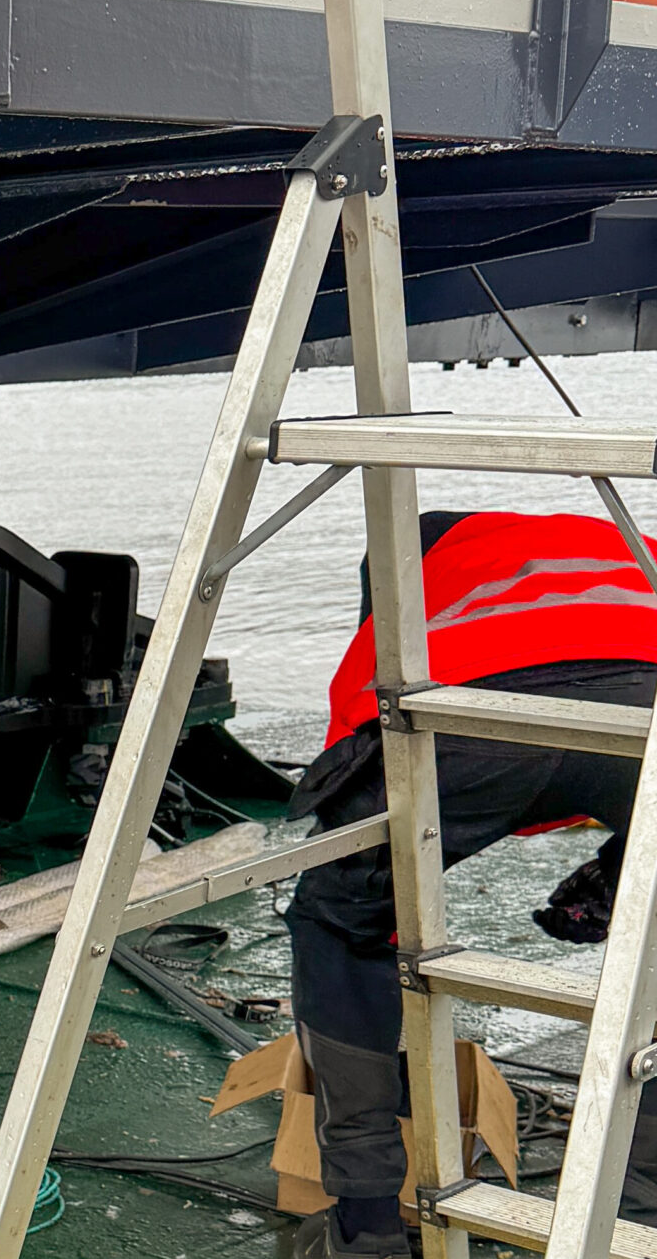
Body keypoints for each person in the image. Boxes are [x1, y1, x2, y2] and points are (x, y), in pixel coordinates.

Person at [286, 508, 657, 1257]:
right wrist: (626, 867)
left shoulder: (413, 550)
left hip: (474, 710)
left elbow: (371, 710)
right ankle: (639, 1208)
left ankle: (366, 1227)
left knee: (338, 917)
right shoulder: (629, 548)